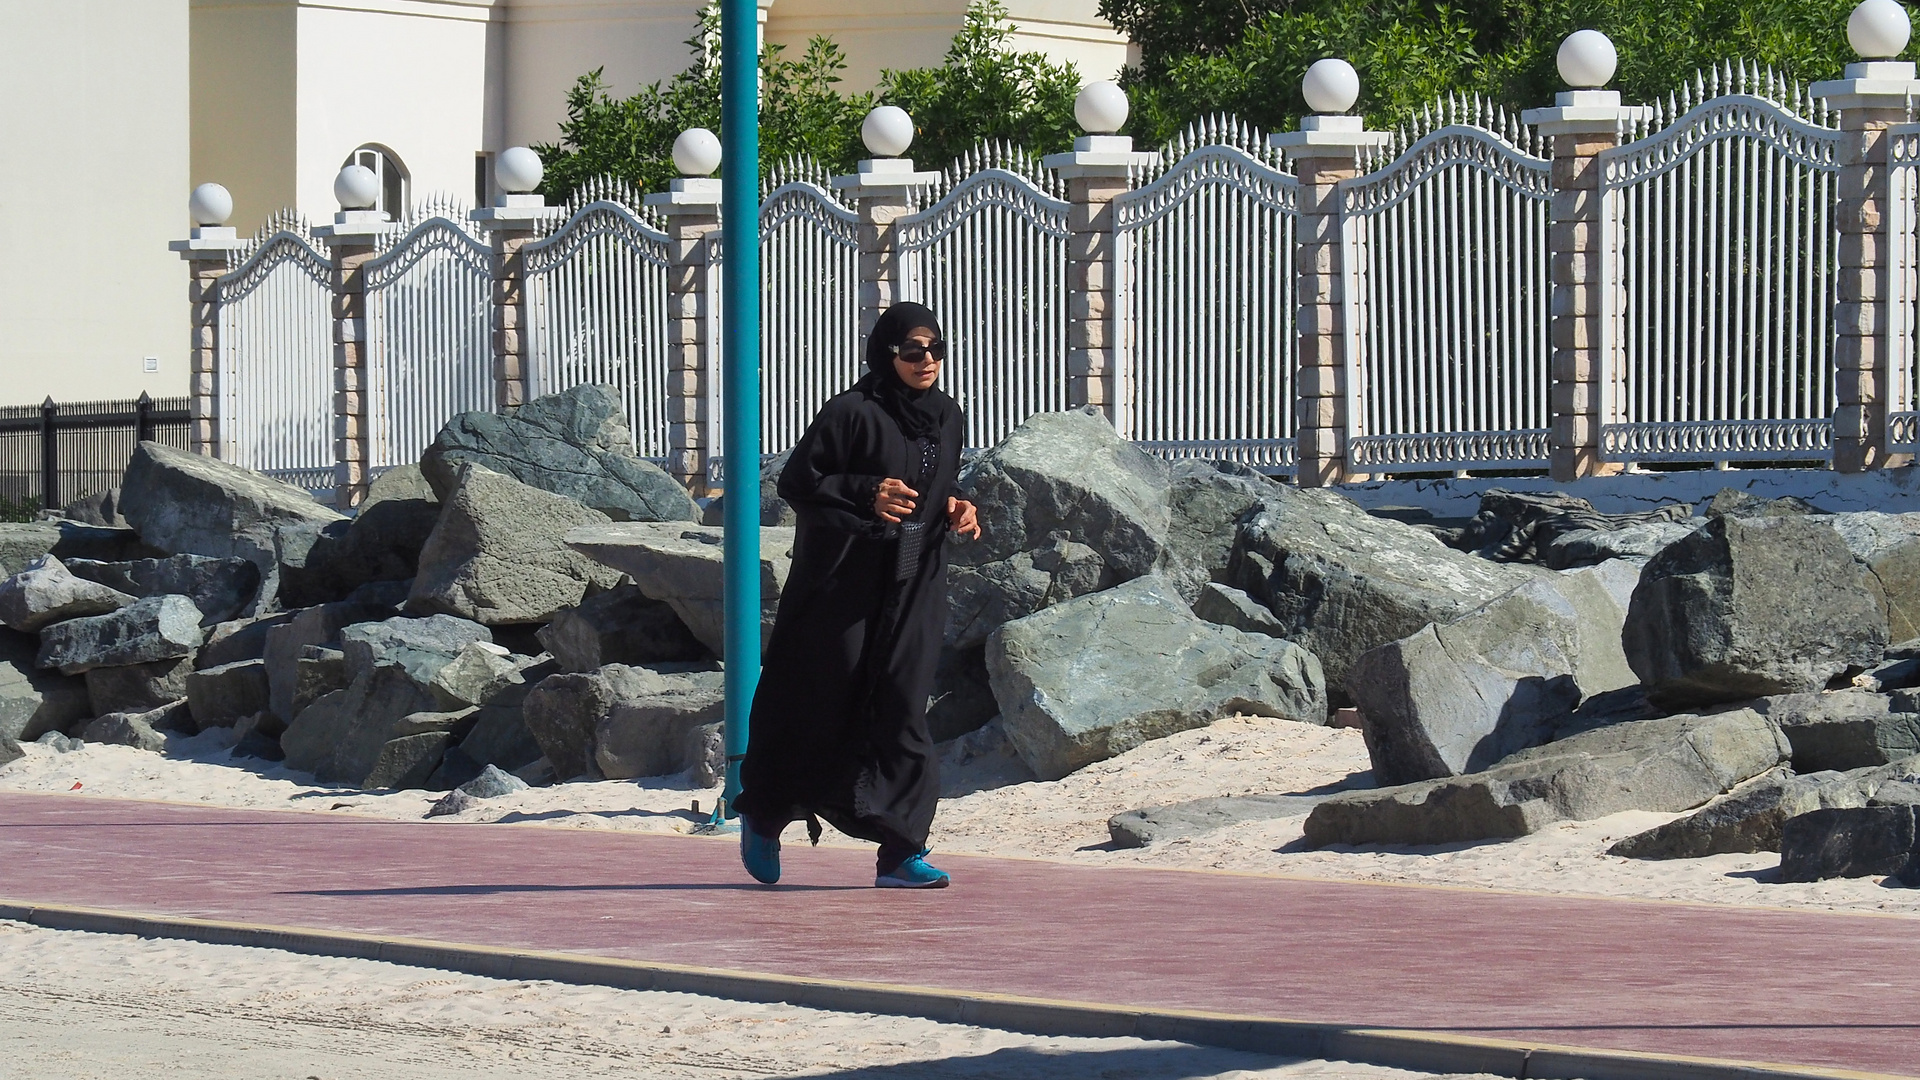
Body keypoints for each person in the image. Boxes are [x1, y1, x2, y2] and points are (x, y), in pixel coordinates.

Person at [732, 301, 981, 889]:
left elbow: (936, 480)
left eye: (936, 349)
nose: (927, 361)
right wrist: (866, 492)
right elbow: (800, 482)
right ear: (886, 353)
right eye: (912, 350)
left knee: (903, 706)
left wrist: (958, 504)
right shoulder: (849, 412)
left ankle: (900, 852)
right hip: (840, 583)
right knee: (816, 700)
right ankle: (765, 817)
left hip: (914, 579)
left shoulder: (948, 416)